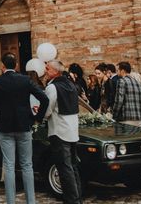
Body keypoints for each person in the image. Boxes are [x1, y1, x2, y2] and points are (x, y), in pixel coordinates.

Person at [0, 52, 48, 204]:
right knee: (27, 165)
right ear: (16, 65)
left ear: (2, 66)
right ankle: (31, 201)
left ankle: (11, 201)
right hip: (24, 125)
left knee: (9, 165)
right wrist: (36, 118)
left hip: (4, 127)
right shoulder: (25, 80)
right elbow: (44, 98)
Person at [43, 60, 82, 204]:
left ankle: (71, 200)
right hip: (72, 130)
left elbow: (48, 110)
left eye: (47, 69)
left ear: (55, 71)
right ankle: (77, 197)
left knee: (64, 169)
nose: (45, 71)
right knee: (72, 167)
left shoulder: (52, 87)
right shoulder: (71, 85)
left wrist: (39, 115)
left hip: (59, 131)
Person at [112, 61, 141, 127]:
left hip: (127, 118)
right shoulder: (139, 83)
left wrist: (114, 115)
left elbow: (119, 100)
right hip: (140, 119)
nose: (116, 72)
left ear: (122, 71)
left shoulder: (122, 81)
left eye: (117, 70)